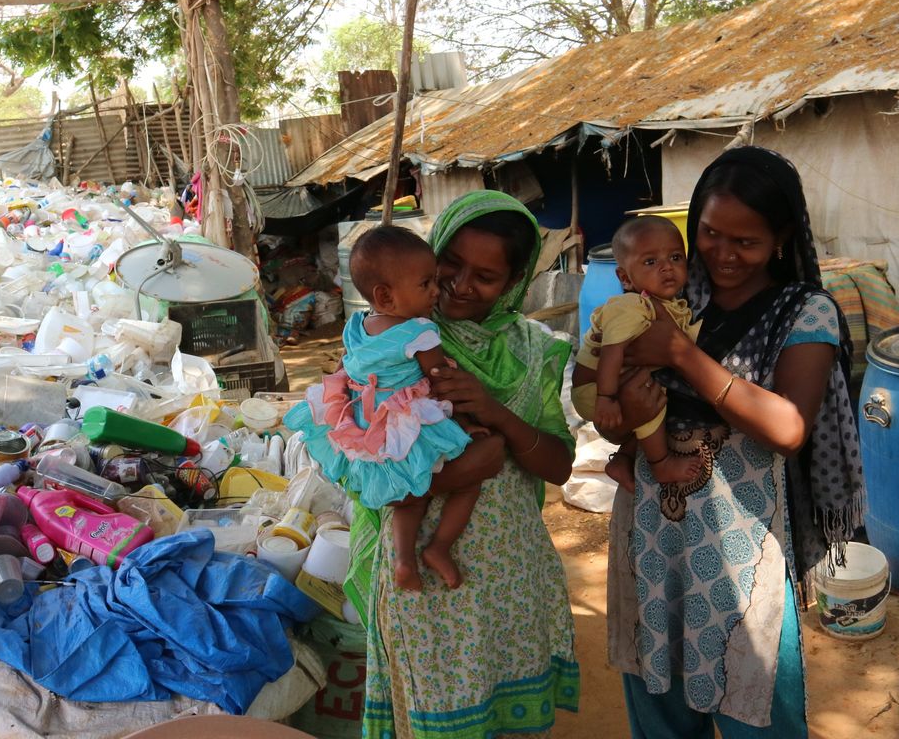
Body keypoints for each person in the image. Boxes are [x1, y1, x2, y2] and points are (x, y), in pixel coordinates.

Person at [599, 146, 864, 737]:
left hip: (742, 545)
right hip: (651, 531)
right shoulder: (661, 293)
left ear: (781, 239)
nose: (722, 254)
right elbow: (604, 403)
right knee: (658, 703)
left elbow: (789, 428)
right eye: (710, 234)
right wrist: (621, 416)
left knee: (755, 707)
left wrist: (680, 356)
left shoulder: (804, 311)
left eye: (744, 242)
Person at [345, 190, 581, 739]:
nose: (458, 284)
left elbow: (560, 466)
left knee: (507, 714)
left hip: (508, 569)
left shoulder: (533, 351)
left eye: (486, 275)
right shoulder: (389, 338)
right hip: (420, 577)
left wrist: (493, 411)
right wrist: (459, 473)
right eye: (449, 264)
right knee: (438, 714)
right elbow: (354, 461)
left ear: (515, 283)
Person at [284, 225, 501, 590]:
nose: (436, 291)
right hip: (408, 425)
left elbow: (346, 367)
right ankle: (439, 548)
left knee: (405, 501)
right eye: (425, 284)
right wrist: (464, 423)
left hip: (367, 425)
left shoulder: (356, 326)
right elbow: (440, 382)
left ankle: (403, 561)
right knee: (470, 482)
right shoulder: (421, 332)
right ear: (385, 296)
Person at [571, 215, 702, 492]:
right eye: (651, 262)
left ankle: (623, 458)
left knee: (654, 394)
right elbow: (612, 352)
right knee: (651, 396)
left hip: (611, 384)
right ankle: (661, 463)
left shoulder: (666, 303)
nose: (667, 268)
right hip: (595, 389)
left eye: (676, 257)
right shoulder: (631, 306)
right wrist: (605, 398)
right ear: (624, 277)